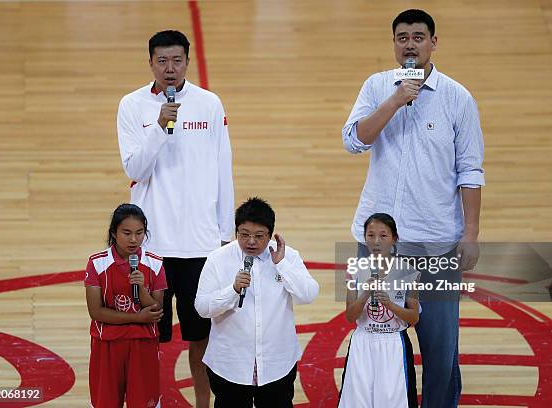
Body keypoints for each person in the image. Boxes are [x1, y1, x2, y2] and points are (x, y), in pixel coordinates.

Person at [341, 9, 485, 408]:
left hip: (436, 243)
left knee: (440, 348)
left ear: (433, 43)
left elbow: (470, 172)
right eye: (402, 37)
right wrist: (395, 99)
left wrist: (470, 235)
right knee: (374, 333)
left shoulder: (458, 98)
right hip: (377, 243)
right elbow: (355, 141)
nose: (409, 44)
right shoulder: (377, 87)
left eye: (418, 37)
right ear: (394, 44)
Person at [117, 30, 234, 406]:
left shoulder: (209, 104)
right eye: (162, 61)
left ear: (188, 60)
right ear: (150, 62)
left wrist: (225, 234)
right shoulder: (132, 106)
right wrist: (160, 128)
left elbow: (223, 169)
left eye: (177, 60)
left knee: (201, 338)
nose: (170, 68)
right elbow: (135, 167)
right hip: (153, 247)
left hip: (200, 246)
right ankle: (150, 401)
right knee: (150, 336)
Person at [194, 197, 319, 408]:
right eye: (244, 235)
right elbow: (202, 308)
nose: (251, 242)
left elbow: (309, 295)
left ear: (270, 234)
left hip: (277, 364)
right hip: (229, 365)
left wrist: (282, 265)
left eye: (259, 236)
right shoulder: (218, 259)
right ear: (236, 232)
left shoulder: (287, 256)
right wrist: (232, 291)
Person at [84, 203, 167, 408]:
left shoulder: (154, 263)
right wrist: (136, 318)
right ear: (114, 232)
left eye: (139, 233)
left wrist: (142, 289)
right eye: (126, 233)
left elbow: (156, 310)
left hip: (143, 344)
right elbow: (96, 311)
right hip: (108, 345)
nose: (133, 240)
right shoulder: (97, 263)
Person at [338, 213, 419, 408]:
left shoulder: (408, 271)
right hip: (362, 342)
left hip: (394, 344)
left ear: (394, 239)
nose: (376, 241)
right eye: (370, 235)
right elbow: (350, 316)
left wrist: (391, 305)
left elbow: (414, 317)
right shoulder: (355, 269)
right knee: (358, 400)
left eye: (383, 236)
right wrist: (366, 293)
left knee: (393, 401)